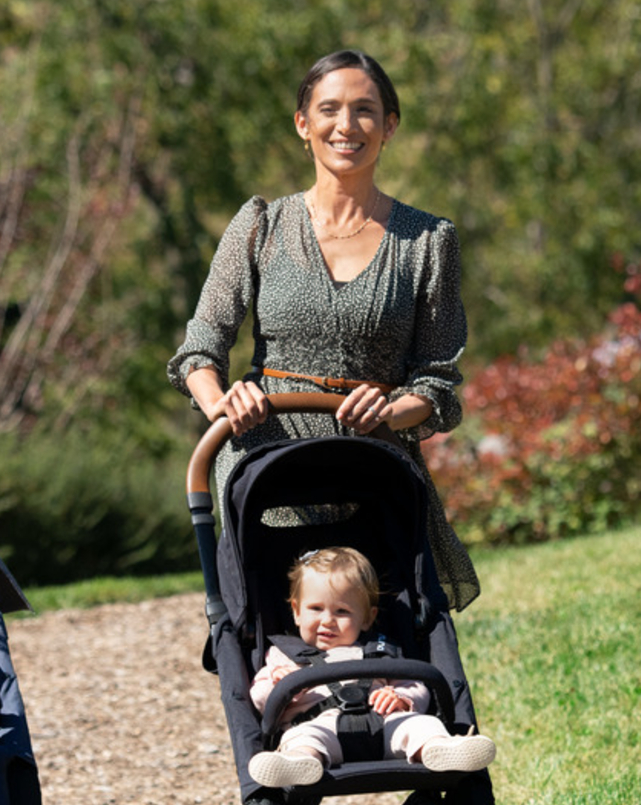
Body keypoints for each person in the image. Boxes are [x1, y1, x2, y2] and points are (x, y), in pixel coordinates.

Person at [167, 48, 479, 614]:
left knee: (389, 619)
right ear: (302, 124)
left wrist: (390, 412)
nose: (346, 125)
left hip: (373, 465)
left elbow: (436, 385)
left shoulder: (429, 240)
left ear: (389, 126)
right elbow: (199, 349)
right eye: (329, 109)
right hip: (266, 465)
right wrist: (222, 403)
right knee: (273, 621)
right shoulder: (261, 225)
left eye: (364, 110)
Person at [248, 547, 495, 787]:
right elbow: (259, 700)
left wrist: (400, 697)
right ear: (296, 611)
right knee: (300, 738)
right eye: (315, 609)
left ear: (367, 618)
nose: (327, 620)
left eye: (342, 611)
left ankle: (437, 749)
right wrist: (278, 684)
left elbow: (416, 685)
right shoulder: (285, 656)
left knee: (422, 725)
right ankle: (299, 763)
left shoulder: (379, 650)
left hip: (386, 726)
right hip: (319, 726)